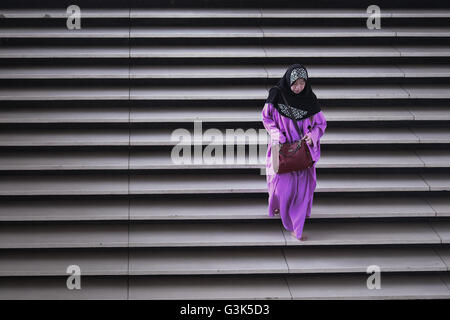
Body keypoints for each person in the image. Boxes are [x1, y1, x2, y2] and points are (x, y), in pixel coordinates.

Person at [262, 64, 327, 241]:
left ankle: (296, 229)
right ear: (288, 81)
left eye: (302, 83)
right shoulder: (276, 94)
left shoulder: (310, 99)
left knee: (302, 192)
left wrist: (312, 135)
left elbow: (321, 124)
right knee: (281, 189)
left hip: (302, 153)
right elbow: (266, 117)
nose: (298, 87)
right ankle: (278, 207)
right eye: (295, 83)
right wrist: (276, 134)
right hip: (283, 151)